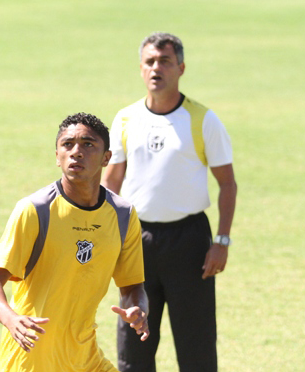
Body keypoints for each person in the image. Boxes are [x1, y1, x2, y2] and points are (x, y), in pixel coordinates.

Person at [102, 32, 237, 372]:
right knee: (134, 340)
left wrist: (221, 241)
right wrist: (108, 236)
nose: (156, 68)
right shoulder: (126, 118)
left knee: (196, 341)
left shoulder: (203, 120)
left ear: (181, 68)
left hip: (189, 240)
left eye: (165, 61)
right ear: (141, 68)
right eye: (150, 61)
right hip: (137, 239)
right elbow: (112, 182)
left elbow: (228, 184)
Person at [0, 112, 150, 372]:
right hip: (32, 359)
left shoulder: (123, 215)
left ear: (107, 158)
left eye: (88, 144)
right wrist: (11, 319)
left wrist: (137, 309)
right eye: (67, 144)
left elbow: (132, 287)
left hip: (86, 358)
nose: (76, 152)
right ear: (57, 156)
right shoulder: (35, 210)